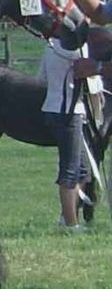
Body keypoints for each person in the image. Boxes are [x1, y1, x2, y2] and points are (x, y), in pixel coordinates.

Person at [38, 36, 96, 230]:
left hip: (53, 108)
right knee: (70, 171)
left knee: (82, 170)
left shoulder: (49, 47)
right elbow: (90, 79)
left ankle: (67, 215)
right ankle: (70, 224)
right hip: (70, 113)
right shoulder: (79, 50)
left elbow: (41, 79)